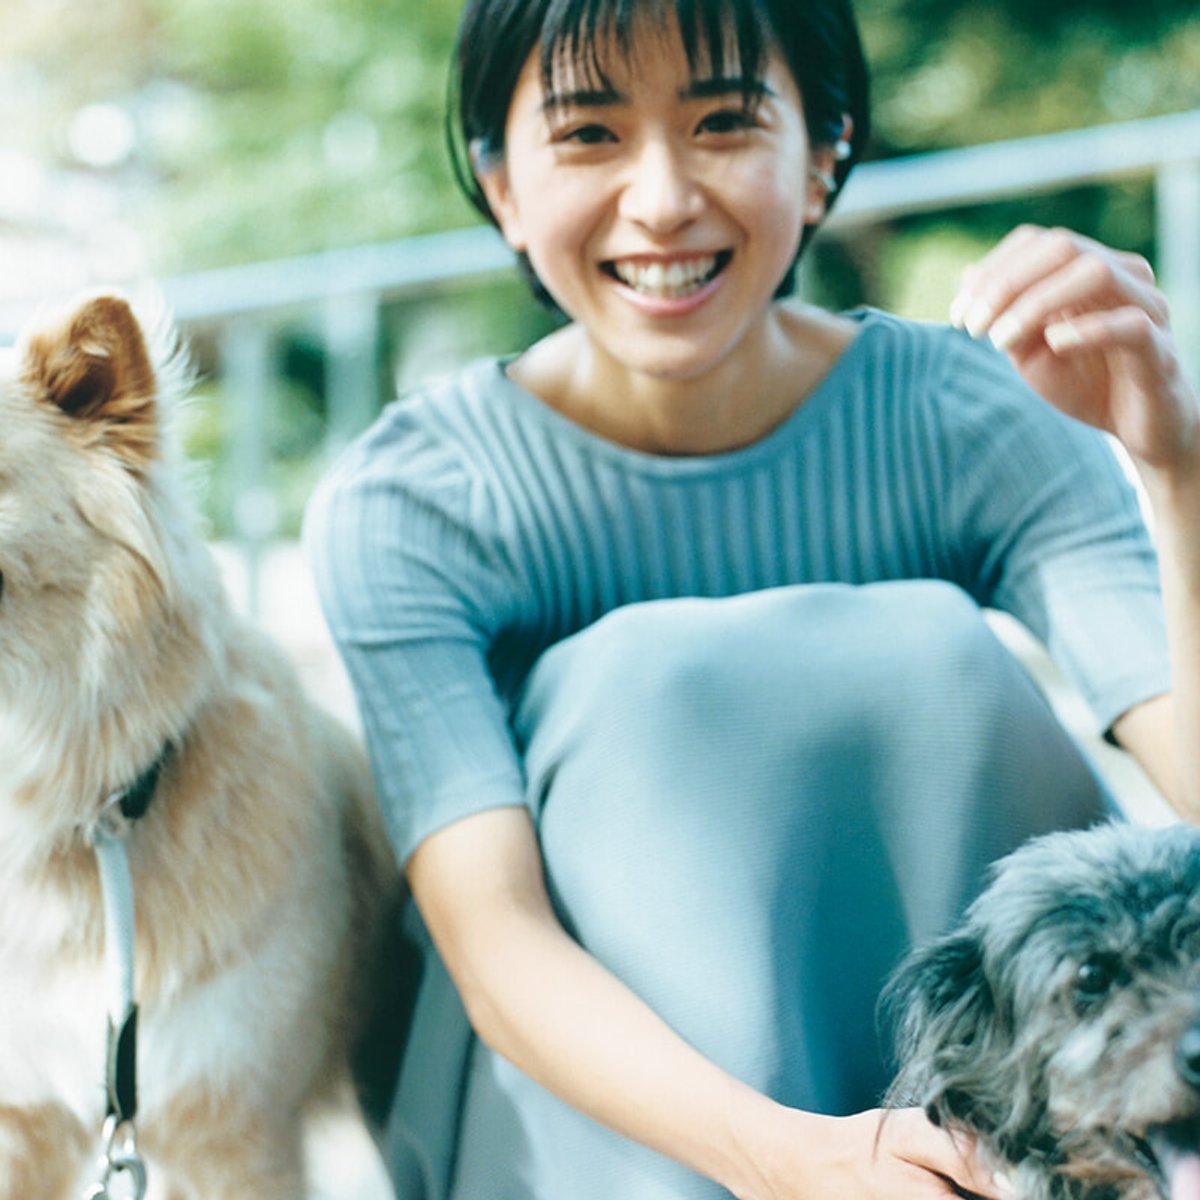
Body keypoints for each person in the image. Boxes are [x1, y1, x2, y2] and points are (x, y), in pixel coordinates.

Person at [303, 0, 1200, 1196]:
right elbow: (495, 940)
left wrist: (1174, 464)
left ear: (824, 153)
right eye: (588, 134)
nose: (663, 199)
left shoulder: (978, 413)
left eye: (723, 122)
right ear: (503, 186)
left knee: (932, 649)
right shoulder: (417, 503)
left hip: (996, 1124)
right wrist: (793, 1159)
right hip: (601, 1135)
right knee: (643, 684)